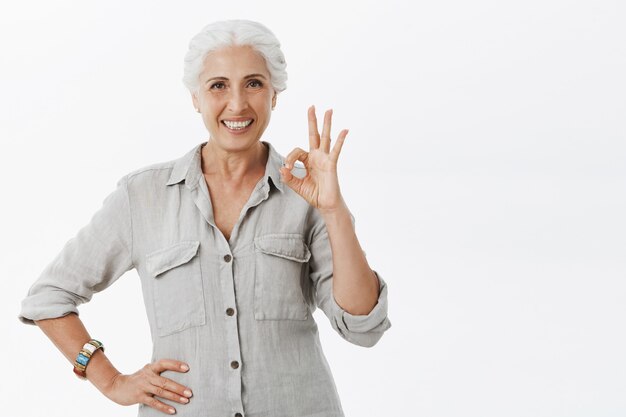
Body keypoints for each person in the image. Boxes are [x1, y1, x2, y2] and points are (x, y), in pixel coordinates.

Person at [18, 19, 391, 417]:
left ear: (274, 94)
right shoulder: (142, 197)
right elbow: (49, 298)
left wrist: (334, 211)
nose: (237, 104)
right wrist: (110, 380)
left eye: (253, 83)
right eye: (218, 86)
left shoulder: (308, 194)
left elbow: (362, 326)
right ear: (195, 97)